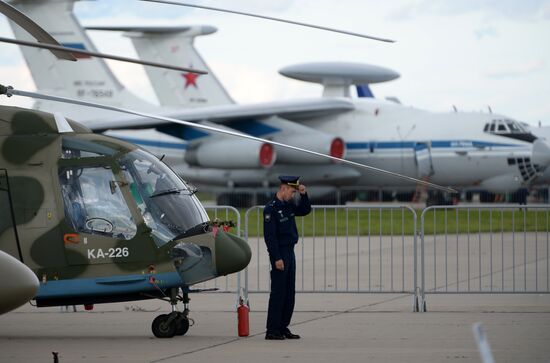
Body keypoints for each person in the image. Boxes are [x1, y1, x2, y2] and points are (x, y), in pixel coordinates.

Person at [264, 175, 311, 340]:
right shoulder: (271, 209)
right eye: (292, 191)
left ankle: (283, 327)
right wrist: (276, 258)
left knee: (289, 292)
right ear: (283, 189)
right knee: (278, 292)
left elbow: (305, 210)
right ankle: (272, 330)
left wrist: (303, 194)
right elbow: (270, 237)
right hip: (280, 253)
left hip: (290, 251)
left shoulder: (288, 205)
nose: (293, 195)